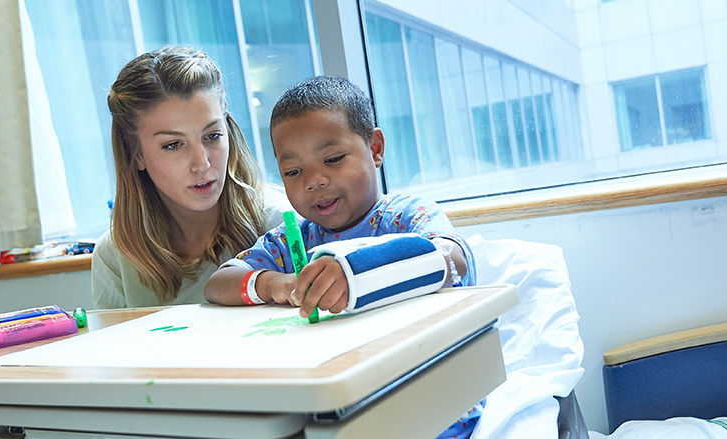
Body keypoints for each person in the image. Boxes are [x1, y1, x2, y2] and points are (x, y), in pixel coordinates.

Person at [203, 75, 482, 437]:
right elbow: (218, 283)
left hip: (428, 401)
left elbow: (453, 258)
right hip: (336, 406)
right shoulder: (294, 242)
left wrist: (356, 271)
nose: (314, 180)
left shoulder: (406, 216)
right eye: (293, 171)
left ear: (375, 148)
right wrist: (274, 283)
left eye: (333, 159)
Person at [91, 45, 288, 309]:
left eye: (212, 136)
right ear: (135, 154)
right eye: (173, 144)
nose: (202, 163)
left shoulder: (280, 225)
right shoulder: (114, 256)